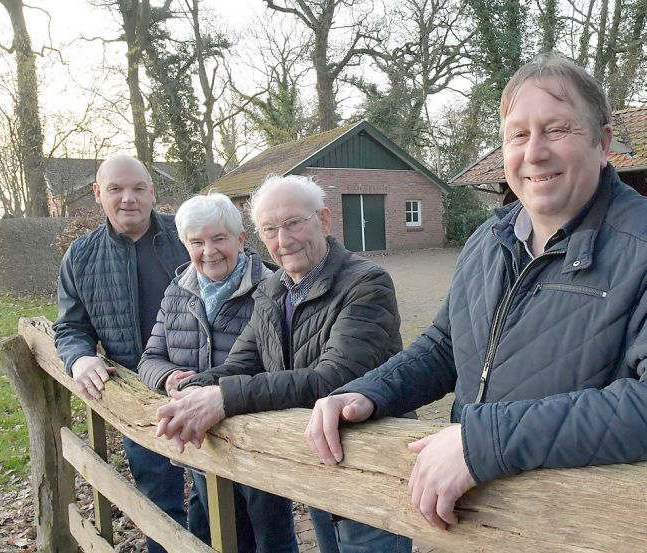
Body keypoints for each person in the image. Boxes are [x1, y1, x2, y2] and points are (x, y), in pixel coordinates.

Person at [305, 52, 647, 531]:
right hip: (474, 525)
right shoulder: (488, 240)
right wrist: (368, 393)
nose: (534, 152)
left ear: (603, 145)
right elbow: (447, 346)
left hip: (575, 531)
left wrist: (485, 441)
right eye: (518, 134)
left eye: (557, 129)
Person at [154, 174, 413, 553]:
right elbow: (244, 361)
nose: (283, 240)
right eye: (270, 229)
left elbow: (335, 378)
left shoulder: (366, 284)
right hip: (319, 463)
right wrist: (191, 391)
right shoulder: (272, 290)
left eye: (294, 223)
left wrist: (224, 397)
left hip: (370, 467)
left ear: (324, 220)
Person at [53, 155, 208, 551]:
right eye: (115, 189)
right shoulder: (81, 256)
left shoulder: (189, 234)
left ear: (152, 192)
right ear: (97, 194)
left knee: (214, 495)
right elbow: (71, 326)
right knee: (157, 499)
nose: (128, 199)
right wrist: (79, 356)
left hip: (200, 387)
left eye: (139, 188)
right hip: (135, 396)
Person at [138, 193, 295, 552]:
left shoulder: (270, 289)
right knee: (224, 536)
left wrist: (215, 391)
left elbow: (280, 367)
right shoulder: (178, 292)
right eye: (197, 242)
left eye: (219, 238)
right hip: (201, 440)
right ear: (185, 245)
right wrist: (169, 377)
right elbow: (149, 358)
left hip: (255, 439)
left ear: (240, 239)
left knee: (271, 536)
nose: (209, 251)